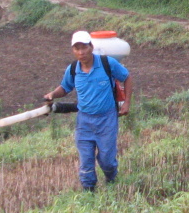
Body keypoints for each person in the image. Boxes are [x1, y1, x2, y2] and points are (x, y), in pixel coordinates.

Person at [44, 30, 132, 191]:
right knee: (86, 161)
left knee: (106, 159)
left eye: (84, 47)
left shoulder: (107, 63)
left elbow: (126, 77)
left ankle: (111, 179)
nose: (81, 52)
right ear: (73, 51)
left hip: (107, 119)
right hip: (84, 121)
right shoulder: (73, 69)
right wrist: (52, 94)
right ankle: (88, 191)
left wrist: (126, 103)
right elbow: (65, 87)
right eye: (77, 48)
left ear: (91, 47)